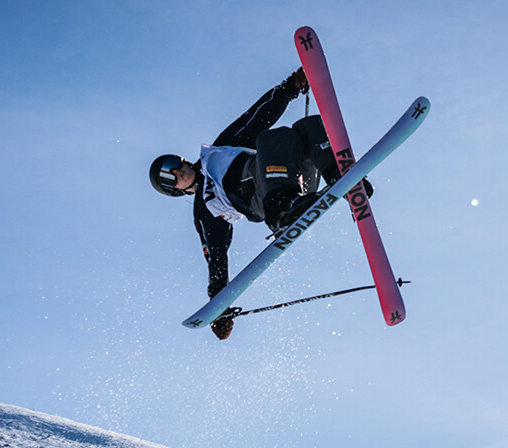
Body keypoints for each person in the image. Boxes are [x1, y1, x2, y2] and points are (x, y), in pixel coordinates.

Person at [148, 67, 372, 339]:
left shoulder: (218, 151)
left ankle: (342, 178)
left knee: (307, 126)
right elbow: (216, 254)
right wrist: (220, 304)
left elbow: (256, 117)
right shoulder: (203, 206)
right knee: (270, 141)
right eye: (168, 178)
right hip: (267, 201)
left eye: (172, 164)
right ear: (175, 191)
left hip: (295, 178)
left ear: (181, 159)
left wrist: (290, 87)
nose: (175, 172)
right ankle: (283, 209)